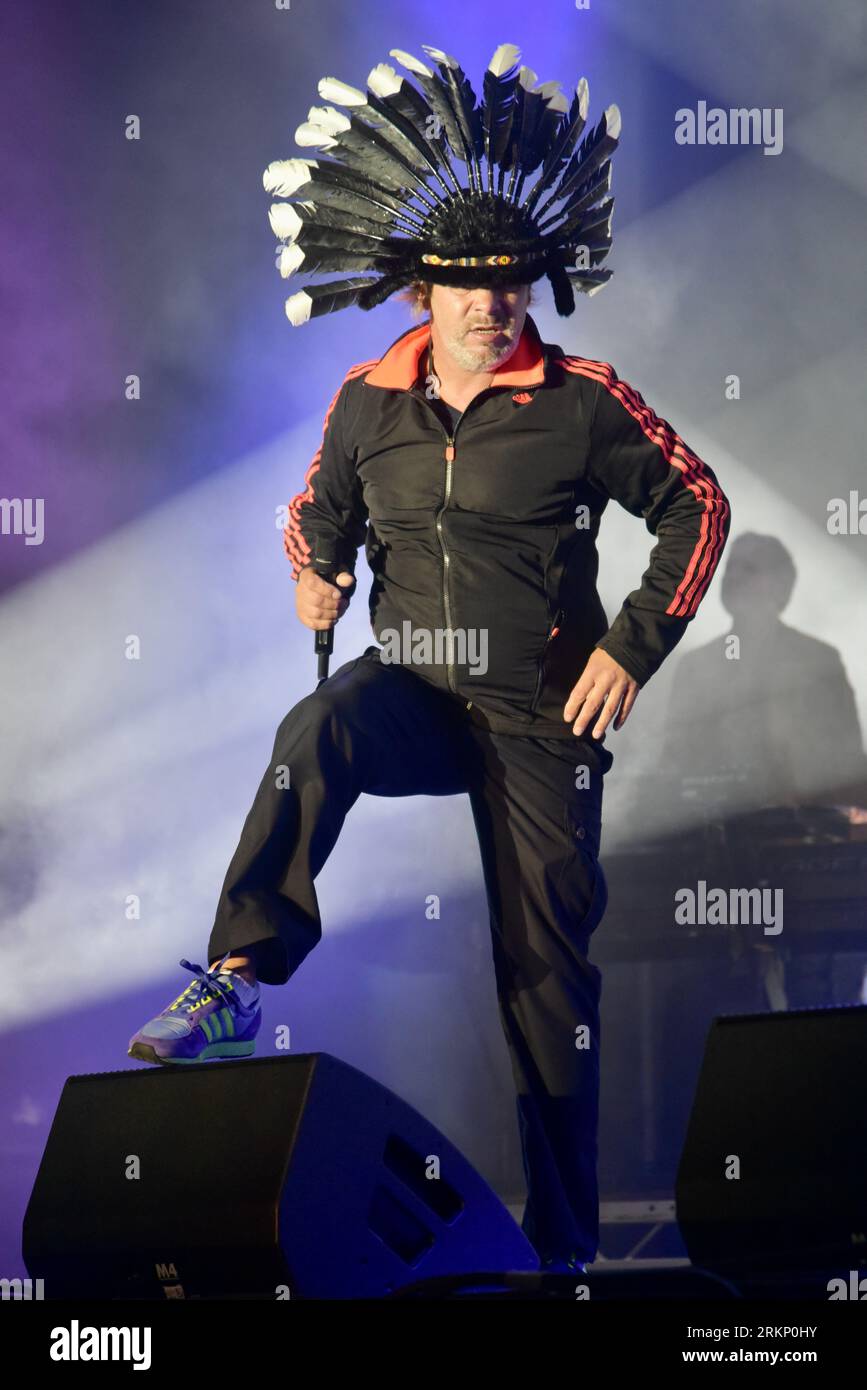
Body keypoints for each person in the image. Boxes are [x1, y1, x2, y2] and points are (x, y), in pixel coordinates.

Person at [128, 42, 731, 1273]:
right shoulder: (369, 402)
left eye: (509, 282)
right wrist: (313, 563)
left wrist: (630, 648)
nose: (488, 303)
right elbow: (315, 513)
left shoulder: (580, 399)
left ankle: (562, 1257)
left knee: (547, 987)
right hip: (414, 690)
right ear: (425, 292)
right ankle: (238, 978)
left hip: (538, 717)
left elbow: (697, 504)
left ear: (532, 285)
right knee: (317, 730)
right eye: (465, 284)